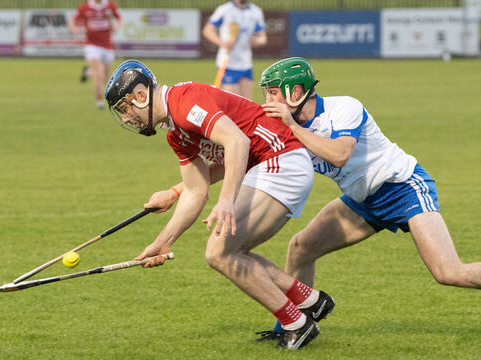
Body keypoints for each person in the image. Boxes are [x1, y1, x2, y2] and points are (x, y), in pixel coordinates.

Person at [253, 57, 481, 338]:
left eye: (272, 92)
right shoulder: (285, 128)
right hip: (363, 201)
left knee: (449, 272)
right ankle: (294, 327)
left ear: (296, 92)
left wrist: (291, 126)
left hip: (403, 187)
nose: (267, 99)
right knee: (301, 247)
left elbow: (339, 155)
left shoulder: (343, 107)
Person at [103, 59, 335, 350]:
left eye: (125, 109)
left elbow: (237, 142)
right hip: (271, 165)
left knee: (219, 252)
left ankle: (297, 323)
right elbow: (195, 191)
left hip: (280, 159)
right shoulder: (176, 135)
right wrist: (163, 241)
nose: (126, 119)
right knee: (234, 251)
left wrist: (227, 201)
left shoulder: (186, 102)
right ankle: (311, 302)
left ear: (141, 95)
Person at [202, 0, 267, 99]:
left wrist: (257, 41)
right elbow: (207, 30)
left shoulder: (256, 11)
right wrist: (222, 43)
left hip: (246, 63)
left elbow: (263, 38)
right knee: (232, 102)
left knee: (247, 103)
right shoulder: (224, 10)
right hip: (228, 63)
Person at [68, 0, 122, 110]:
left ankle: (88, 72)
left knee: (106, 75)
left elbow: (120, 18)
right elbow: (72, 21)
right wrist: (75, 29)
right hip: (91, 45)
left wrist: (116, 27)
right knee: (99, 70)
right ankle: (99, 100)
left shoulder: (110, 6)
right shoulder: (85, 7)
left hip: (107, 45)